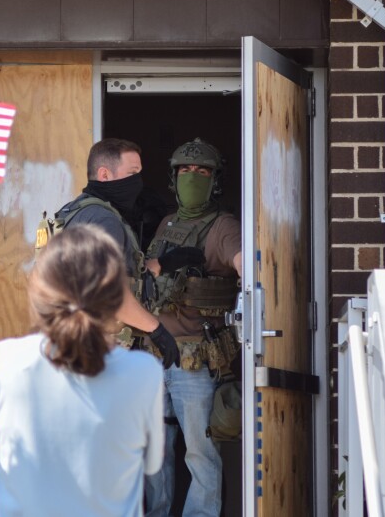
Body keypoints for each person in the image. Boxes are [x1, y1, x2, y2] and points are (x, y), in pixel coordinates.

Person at [0, 224, 165, 517]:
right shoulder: (145, 372)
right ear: (116, 298)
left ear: (40, 293)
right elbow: (151, 464)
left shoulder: (4, 359)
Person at [143, 138, 242, 517]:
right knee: (157, 450)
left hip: (196, 361)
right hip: (155, 356)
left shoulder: (223, 226)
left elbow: (245, 262)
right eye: (185, 170)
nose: (193, 176)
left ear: (215, 180)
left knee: (201, 455)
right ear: (174, 176)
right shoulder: (167, 223)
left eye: (202, 171)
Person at [53, 138, 180, 367]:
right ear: (104, 175)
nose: (138, 182)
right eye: (132, 173)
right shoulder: (104, 220)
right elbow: (110, 291)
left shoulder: (73, 212)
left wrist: (161, 264)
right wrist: (156, 329)